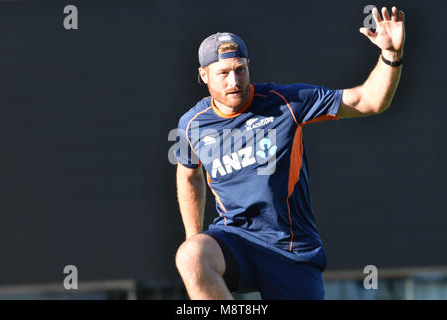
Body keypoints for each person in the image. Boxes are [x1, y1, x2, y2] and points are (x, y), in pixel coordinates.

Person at [174, 6, 405, 300]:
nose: (234, 81)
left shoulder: (285, 102)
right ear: (204, 75)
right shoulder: (191, 123)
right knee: (191, 255)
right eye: (223, 73)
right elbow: (188, 173)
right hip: (235, 240)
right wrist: (194, 234)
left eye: (240, 69)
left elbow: (369, 101)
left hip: (290, 249)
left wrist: (391, 55)